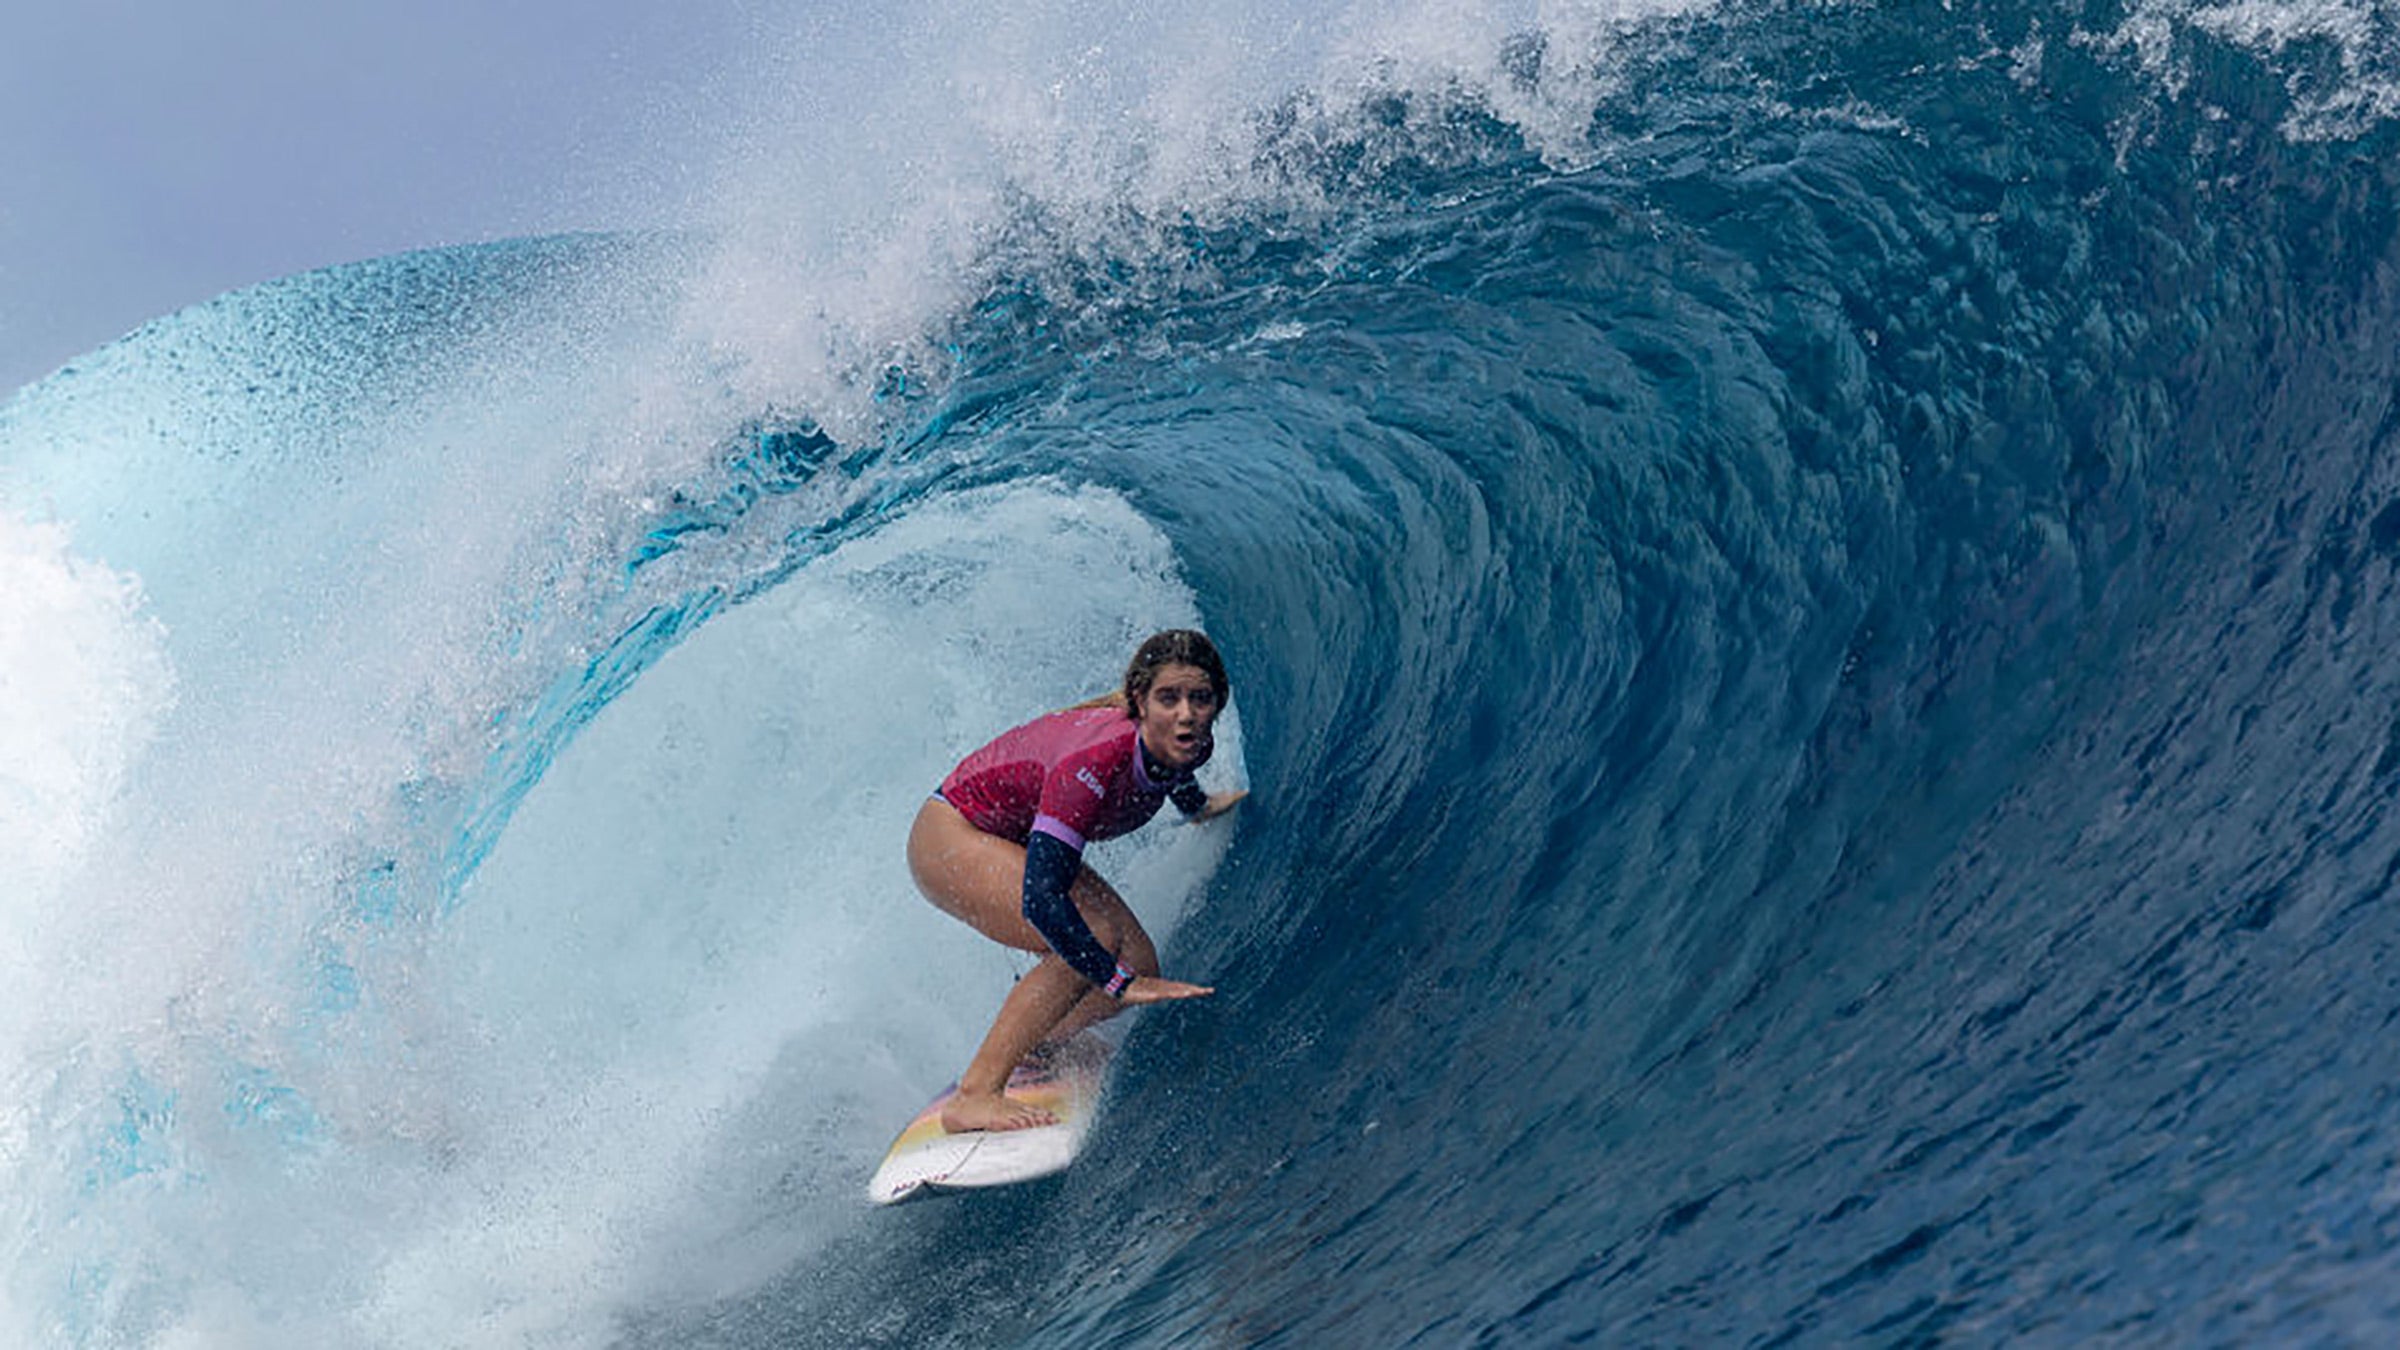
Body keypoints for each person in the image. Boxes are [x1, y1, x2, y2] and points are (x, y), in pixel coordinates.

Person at [907, 629, 1245, 1132]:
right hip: (952, 834)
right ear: (1139, 702)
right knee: (1092, 943)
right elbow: (1043, 902)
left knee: (1139, 962)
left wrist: (1198, 807)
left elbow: (1173, 769)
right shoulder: (1093, 766)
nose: (1186, 713)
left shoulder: (1189, 741)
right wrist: (1114, 981)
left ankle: (1037, 1045)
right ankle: (976, 1093)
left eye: (1200, 698)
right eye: (1168, 698)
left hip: (1011, 836)